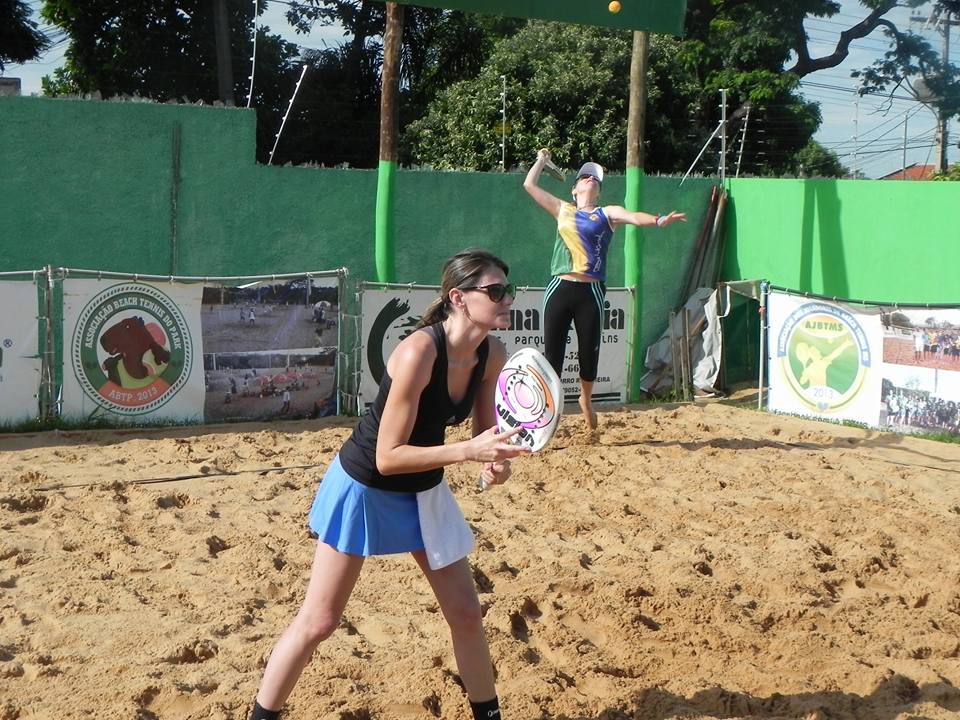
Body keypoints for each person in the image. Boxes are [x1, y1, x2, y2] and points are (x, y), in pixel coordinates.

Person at [248, 249, 528, 720]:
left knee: (466, 614)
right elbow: (388, 455)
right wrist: (467, 452)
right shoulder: (419, 350)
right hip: (365, 485)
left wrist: (495, 465)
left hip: (424, 490)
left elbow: (485, 438)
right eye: (495, 291)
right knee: (320, 622)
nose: (507, 300)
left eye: (509, 290)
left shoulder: (492, 354)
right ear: (458, 298)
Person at [523, 149, 687, 430]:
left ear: (598, 192)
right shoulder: (563, 209)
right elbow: (529, 185)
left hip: (591, 293)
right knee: (553, 355)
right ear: (574, 189)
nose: (590, 180)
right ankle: (551, 410)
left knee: (589, 354)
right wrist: (541, 160)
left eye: (595, 179)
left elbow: (635, 217)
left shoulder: (606, 213)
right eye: (584, 177)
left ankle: (586, 401)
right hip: (560, 288)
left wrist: (659, 220)